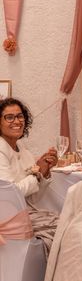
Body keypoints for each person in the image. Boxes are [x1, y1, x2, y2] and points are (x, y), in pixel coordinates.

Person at [0, 98, 59, 252]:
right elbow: (10, 195)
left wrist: (45, 171)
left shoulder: (21, 148)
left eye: (20, 116)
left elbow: (34, 198)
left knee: (70, 225)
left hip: (25, 212)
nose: (17, 121)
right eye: (9, 117)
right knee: (67, 229)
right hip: (8, 218)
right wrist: (37, 173)